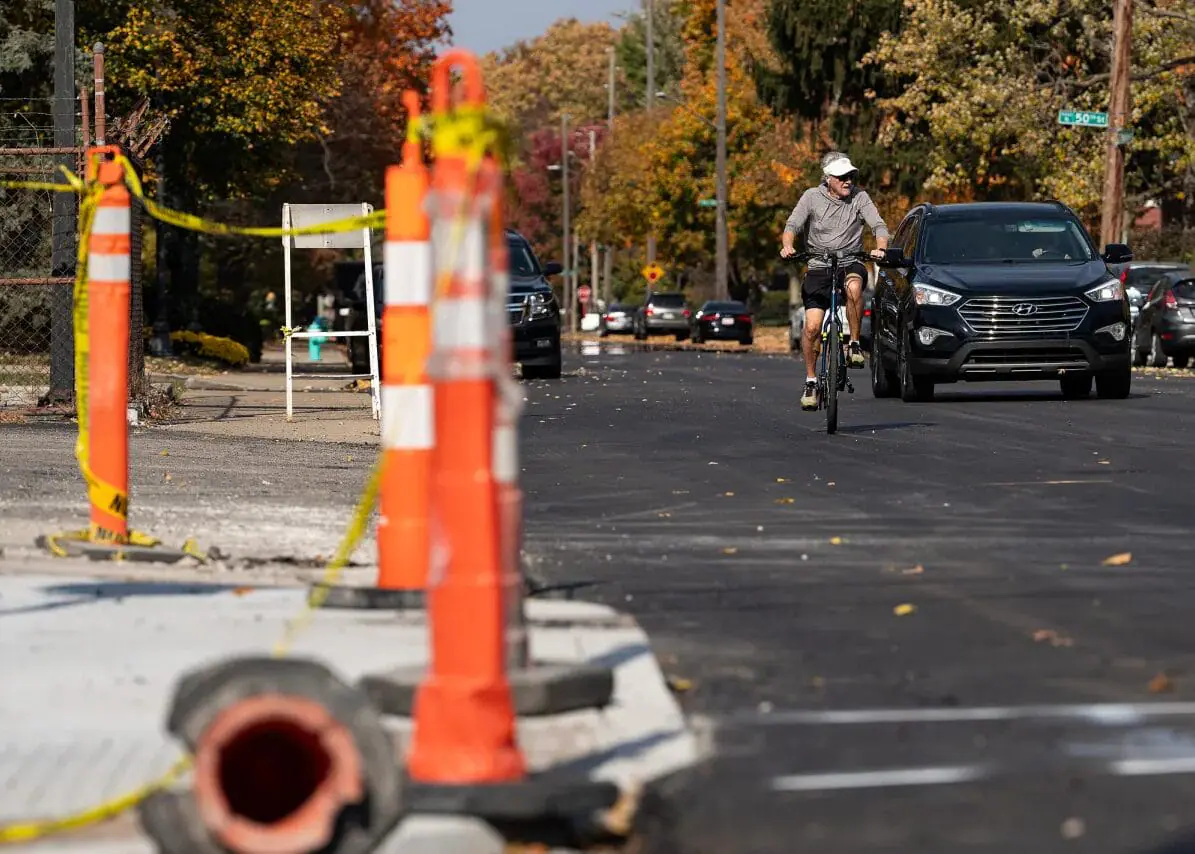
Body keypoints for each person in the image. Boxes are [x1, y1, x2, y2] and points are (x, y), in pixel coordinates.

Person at [780, 152, 890, 411]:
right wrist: (788, 246)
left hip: (850, 260)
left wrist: (881, 248)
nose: (847, 181)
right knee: (811, 328)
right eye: (841, 177)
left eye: (850, 176)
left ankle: (853, 343)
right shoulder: (810, 197)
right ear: (828, 178)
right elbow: (792, 225)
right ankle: (810, 380)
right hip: (818, 264)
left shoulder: (860, 197)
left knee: (853, 287)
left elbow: (879, 226)